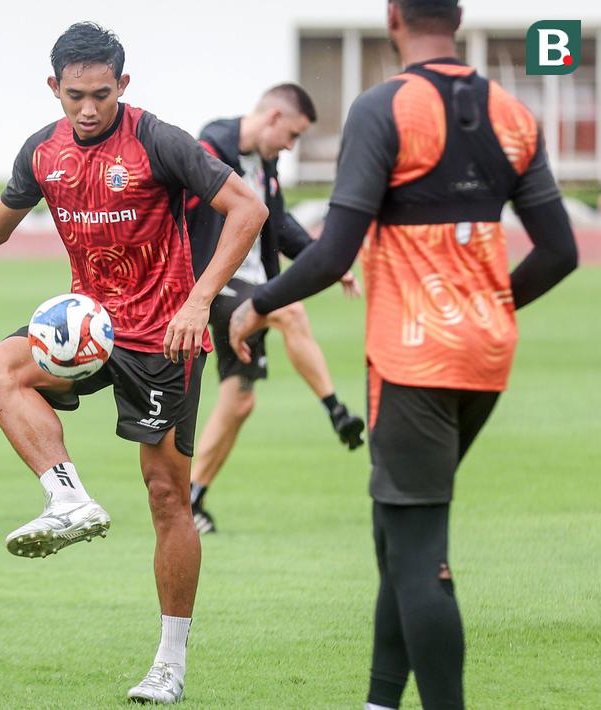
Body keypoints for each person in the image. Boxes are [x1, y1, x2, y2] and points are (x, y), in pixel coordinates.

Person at [0, 22, 266, 705]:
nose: (89, 108)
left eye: (102, 94)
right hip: (86, 327)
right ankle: (67, 497)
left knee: (167, 495)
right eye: (75, 96)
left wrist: (198, 303)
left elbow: (247, 207)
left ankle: (169, 662)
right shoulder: (43, 151)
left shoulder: (159, 141)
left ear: (123, 85)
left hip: (162, 336)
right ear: (54, 87)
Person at [228, 2, 577, 707]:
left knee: (419, 553)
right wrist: (488, 307)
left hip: (413, 359)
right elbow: (560, 252)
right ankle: (379, 701)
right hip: (485, 357)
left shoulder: (382, 107)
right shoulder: (511, 111)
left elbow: (333, 253)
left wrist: (257, 305)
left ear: (392, 16)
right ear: (459, 16)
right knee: (396, 526)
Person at [185, 83, 365, 534]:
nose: (291, 146)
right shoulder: (211, 148)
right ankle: (336, 410)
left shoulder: (265, 164)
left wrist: (327, 262)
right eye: (293, 135)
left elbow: (279, 224)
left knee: (240, 400)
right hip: (212, 284)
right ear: (273, 118)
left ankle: (192, 497)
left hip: (252, 284)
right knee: (289, 311)